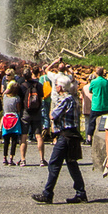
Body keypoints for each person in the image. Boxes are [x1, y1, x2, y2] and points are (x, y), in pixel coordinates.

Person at [32, 75, 87, 205]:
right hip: (72, 134)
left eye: (56, 84)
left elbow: (53, 115)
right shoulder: (72, 98)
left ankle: (48, 193)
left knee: (54, 163)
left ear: (61, 87)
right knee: (72, 163)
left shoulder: (65, 100)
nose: (55, 87)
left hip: (65, 135)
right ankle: (81, 193)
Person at [19, 67, 46, 167]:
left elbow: (20, 100)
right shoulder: (38, 85)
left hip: (26, 112)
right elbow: (41, 97)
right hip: (37, 112)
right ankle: (42, 159)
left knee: (24, 136)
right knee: (38, 135)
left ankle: (23, 159)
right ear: (31, 75)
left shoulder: (22, 86)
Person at [86, 66, 108, 143]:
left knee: (92, 122)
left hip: (96, 105)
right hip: (105, 105)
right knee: (105, 122)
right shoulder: (106, 81)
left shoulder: (93, 82)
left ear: (96, 73)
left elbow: (90, 90)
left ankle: (89, 138)